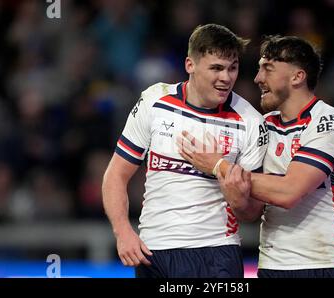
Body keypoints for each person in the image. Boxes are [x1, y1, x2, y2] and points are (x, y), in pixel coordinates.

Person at [178, 35, 334, 278]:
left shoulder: (329, 122)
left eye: (267, 69)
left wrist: (218, 166)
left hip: (329, 265)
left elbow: (289, 192)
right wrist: (238, 198)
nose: (257, 79)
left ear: (297, 77)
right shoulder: (262, 126)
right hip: (271, 267)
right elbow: (251, 212)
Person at [102, 24, 268, 278]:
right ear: (190, 65)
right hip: (154, 252)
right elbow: (116, 175)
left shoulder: (251, 122)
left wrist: (222, 176)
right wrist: (122, 231)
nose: (226, 77)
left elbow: (252, 212)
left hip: (216, 254)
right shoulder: (155, 101)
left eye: (232, 68)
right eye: (216, 68)